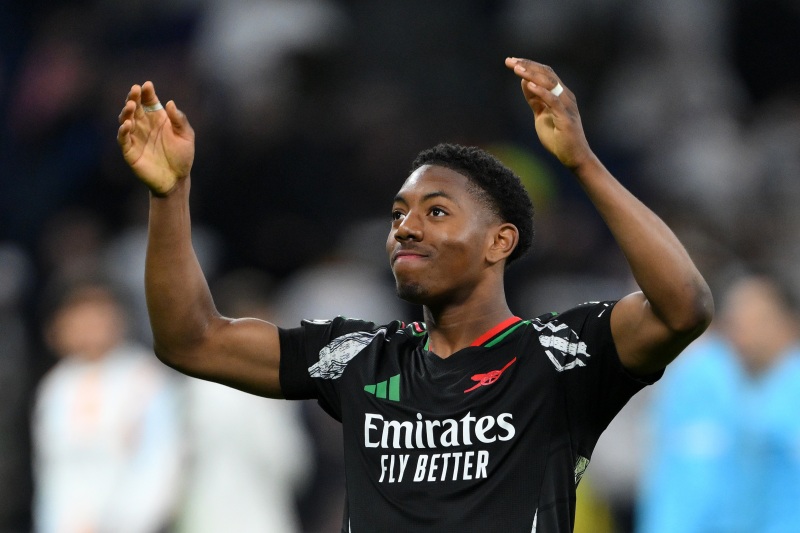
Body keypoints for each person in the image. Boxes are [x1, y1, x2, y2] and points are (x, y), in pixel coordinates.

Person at [116, 57, 713, 532]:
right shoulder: (357, 358)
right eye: (398, 214)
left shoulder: (560, 354)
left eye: (436, 211)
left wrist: (581, 163)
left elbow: (684, 306)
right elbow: (191, 341)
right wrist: (169, 195)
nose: (405, 227)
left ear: (499, 241)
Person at [637, 274, 800, 533]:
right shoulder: (707, 375)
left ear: (789, 323)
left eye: (758, 319)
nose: (744, 331)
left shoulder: (779, 388)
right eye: (737, 320)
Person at [32, 277, 184, 533]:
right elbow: (50, 473)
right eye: (78, 315)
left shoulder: (145, 379)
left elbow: (160, 464)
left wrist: (121, 524)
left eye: (98, 313)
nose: (89, 324)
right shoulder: (55, 386)